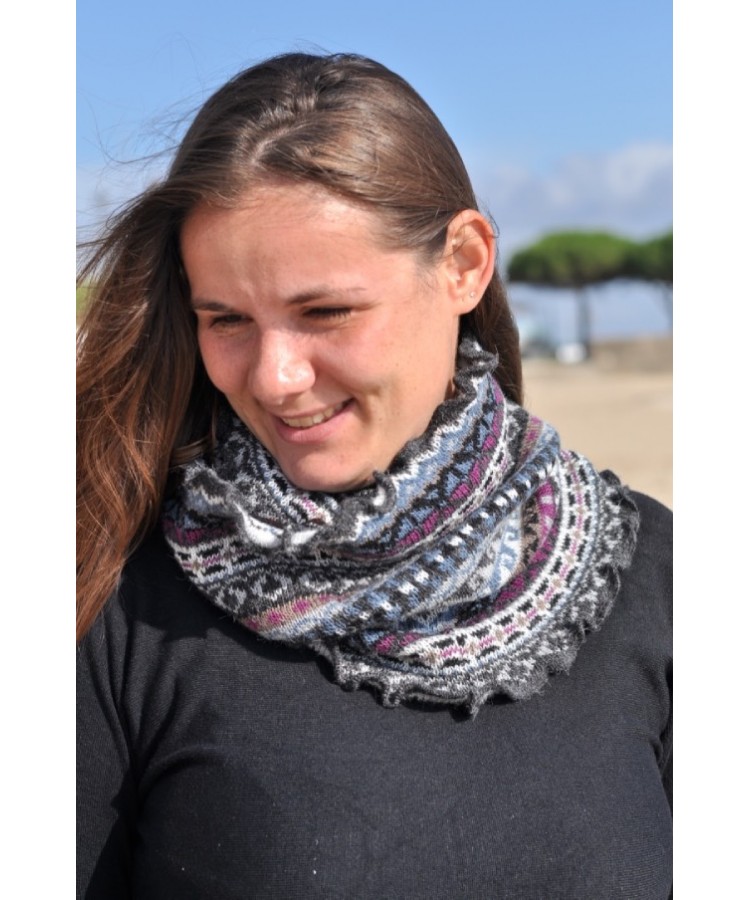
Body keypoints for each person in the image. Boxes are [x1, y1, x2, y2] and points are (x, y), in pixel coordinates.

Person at [77, 52, 672, 899]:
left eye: (326, 311)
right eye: (227, 320)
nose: (275, 377)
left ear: (464, 264)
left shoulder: (665, 581)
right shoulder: (112, 608)